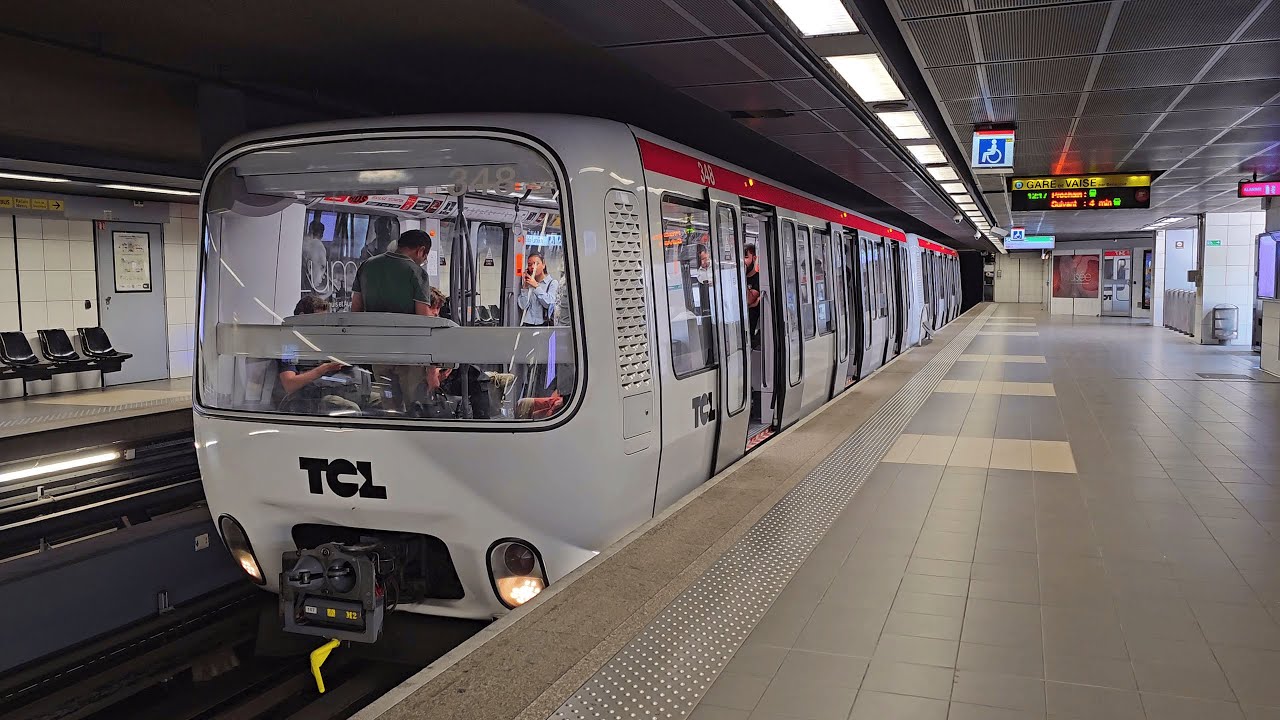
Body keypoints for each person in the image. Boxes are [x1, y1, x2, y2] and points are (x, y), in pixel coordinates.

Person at [352, 229, 435, 411]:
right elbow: (423, 319)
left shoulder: (366, 266)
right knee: (416, 408)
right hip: (409, 354)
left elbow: (355, 310)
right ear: (421, 251)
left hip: (379, 352)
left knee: (390, 407)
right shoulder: (417, 272)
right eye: (424, 257)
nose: (423, 261)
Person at [274, 295, 361, 414]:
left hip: (338, 390)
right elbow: (290, 384)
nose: (323, 326)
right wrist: (324, 369)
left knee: (380, 401)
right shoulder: (290, 346)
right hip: (307, 400)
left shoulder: (322, 341)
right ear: (302, 318)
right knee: (351, 410)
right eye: (319, 321)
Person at [517, 251, 559, 327]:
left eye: (536, 264)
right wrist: (525, 287)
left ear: (543, 265)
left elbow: (549, 304)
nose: (533, 267)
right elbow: (523, 306)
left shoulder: (552, 283)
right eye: (530, 265)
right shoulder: (529, 283)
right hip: (528, 324)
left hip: (544, 324)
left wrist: (536, 287)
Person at [302, 219, 329, 296]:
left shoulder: (304, 244)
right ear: (322, 234)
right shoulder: (318, 246)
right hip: (311, 285)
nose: (323, 276)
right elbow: (322, 264)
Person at [744, 243, 762, 349]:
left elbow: (749, 299)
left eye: (746, 257)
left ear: (754, 258)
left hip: (751, 330)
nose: (743, 261)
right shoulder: (733, 278)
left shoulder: (758, 279)